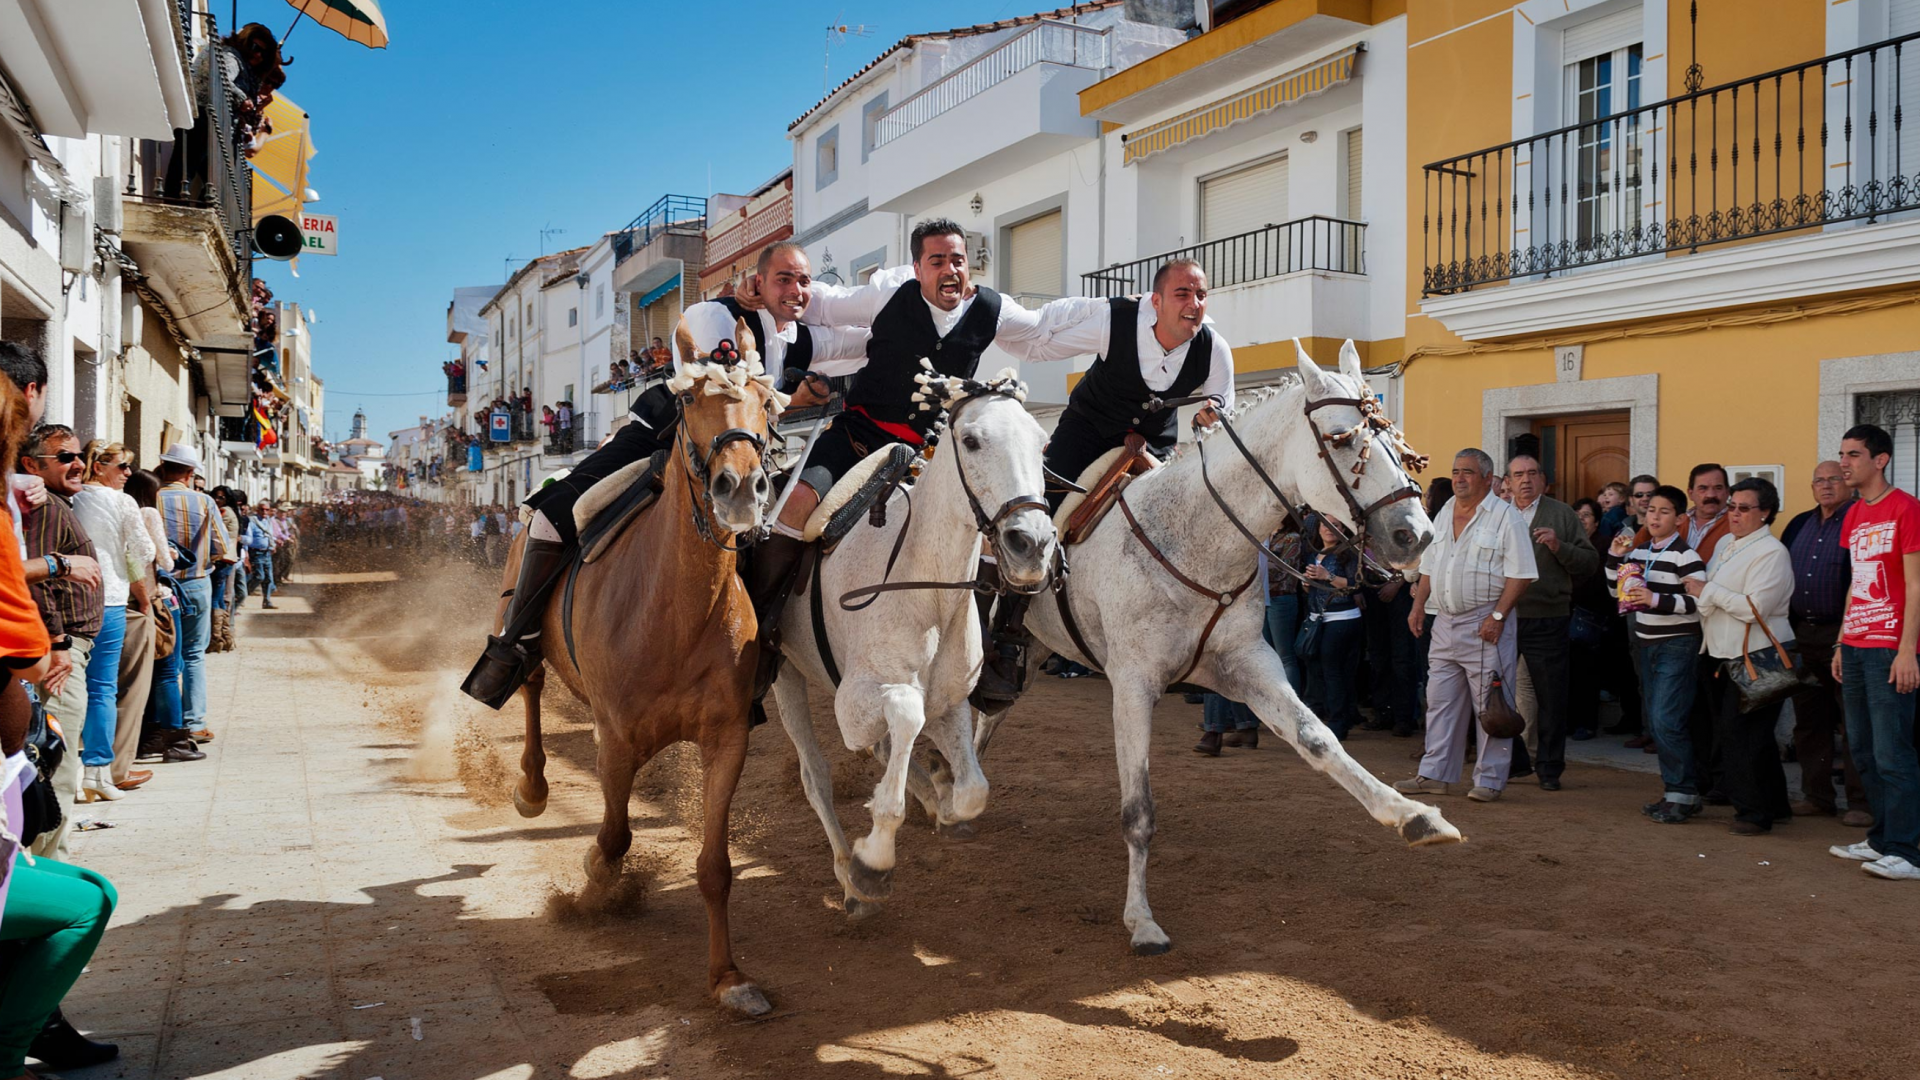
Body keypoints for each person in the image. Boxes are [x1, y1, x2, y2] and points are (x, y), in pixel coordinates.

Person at [465, 242, 870, 707]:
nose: (797, 290)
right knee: (549, 519)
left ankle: (746, 658)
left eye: (804, 281)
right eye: (784, 279)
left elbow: (858, 343)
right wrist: (736, 300)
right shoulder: (720, 314)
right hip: (655, 439)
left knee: (765, 539)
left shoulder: (798, 338)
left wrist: (795, 398)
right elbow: (697, 327)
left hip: (727, 460)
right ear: (758, 282)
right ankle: (516, 641)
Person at [1397, 449, 1537, 802]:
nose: (1459, 478)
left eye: (1468, 472)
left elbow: (1521, 575)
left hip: (1485, 621)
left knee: (1491, 705)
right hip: (1444, 620)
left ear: (1488, 479)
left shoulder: (1507, 518)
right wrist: (1417, 606)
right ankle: (1434, 775)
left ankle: (1489, 780)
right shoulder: (1444, 512)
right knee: (1440, 701)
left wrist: (1499, 617)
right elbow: (1430, 563)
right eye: (1456, 471)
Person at [1828, 424, 1920, 880]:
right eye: (1842, 454)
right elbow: (1856, 585)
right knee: (1861, 751)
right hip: (1858, 644)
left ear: (1880, 460)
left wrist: (1908, 651)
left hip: (1889, 649)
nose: (1844, 463)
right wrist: (1842, 641)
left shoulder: (1906, 508)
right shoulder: (1854, 514)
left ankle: (1908, 850)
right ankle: (1883, 840)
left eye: (1854, 454)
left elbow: (1918, 585)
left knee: (1892, 753)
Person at [1686, 477, 1796, 834]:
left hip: (1758, 654)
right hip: (1721, 652)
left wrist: (1709, 590)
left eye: (1743, 508)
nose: (1734, 514)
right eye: (1731, 506)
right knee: (1751, 737)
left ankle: (1752, 812)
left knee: (1741, 736)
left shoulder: (1771, 552)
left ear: (1765, 513)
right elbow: (1711, 598)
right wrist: (1706, 594)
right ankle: (1775, 804)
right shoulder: (1726, 544)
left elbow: (1755, 608)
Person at [19, 425, 116, 816]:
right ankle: (50, 862)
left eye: (79, 456)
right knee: (57, 760)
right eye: (64, 457)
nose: (78, 464)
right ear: (31, 465)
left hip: (68, 647)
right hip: (61, 651)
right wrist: (58, 645)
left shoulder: (57, 502)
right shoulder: (43, 507)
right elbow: (37, 582)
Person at [1606, 485, 1707, 824]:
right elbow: (1616, 591)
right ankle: (1676, 792)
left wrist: (1654, 600)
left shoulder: (1686, 556)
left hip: (1678, 643)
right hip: (1646, 642)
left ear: (1680, 519)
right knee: (1658, 719)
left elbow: (1699, 603)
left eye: (1664, 512)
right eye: (1651, 511)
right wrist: (1614, 557)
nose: (1655, 517)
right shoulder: (1639, 551)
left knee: (1666, 719)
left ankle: (1683, 793)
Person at [1780, 460, 1870, 826]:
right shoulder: (1799, 523)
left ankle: (1861, 803)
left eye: (1834, 478)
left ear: (1848, 483)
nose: (1827, 485)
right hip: (1802, 632)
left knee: (1855, 723)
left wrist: (1846, 635)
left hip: (1844, 632)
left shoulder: (1860, 519)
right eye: (1819, 480)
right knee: (1809, 720)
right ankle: (1817, 796)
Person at [1504, 454, 1599, 791]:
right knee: (1494, 694)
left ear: (1543, 481)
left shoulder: (1561, 514)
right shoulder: (1497, 513)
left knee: (1551, 698)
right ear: (1507, 482)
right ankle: (1513, 761)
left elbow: (1589, 563)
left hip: (1547, 616)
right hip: (1501, 618)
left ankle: (1548, 768)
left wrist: (1559, 547)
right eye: (1518, 475)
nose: (1525, 480)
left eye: (1532, 474)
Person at [71, 442, 155, 793]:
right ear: (99, 466)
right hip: (111, 598)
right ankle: (96, 771)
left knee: (70, 685)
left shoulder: (70, 498)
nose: (128, 474)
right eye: (122, 466)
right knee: (102, 687)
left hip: (73, 598)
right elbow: (144, 550)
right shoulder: (122, 502)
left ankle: (68, 769)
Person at [155, 443, 232, 743]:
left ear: (164, 468)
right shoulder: (204, 502)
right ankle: (195, 722)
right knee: (193, 655)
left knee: (164, 657)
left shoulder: (152, 499)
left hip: (161, 586)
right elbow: (223, 549)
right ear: (189, 473)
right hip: (197, 583)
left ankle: (166, 722)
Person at [1300, 517, 1365, 740]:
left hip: (1343, 618)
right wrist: (1307, 584)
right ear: (1318, 529)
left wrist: (1327, 576)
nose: (1329, 529)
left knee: (1333, 670)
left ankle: (1338, 720)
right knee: (1322, 669)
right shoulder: (1313, 554)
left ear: (1343, 529)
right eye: (1325, 525)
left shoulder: (1348, 553)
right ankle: (1339, 715)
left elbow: (1355, 584)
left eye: (1336, 525)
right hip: (1320, 618)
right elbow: (1313, 591)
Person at [1567, 498, 1612, 742]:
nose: (1580, 520)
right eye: (1576, 515)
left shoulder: (1603, 545)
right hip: (1566, 616)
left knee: (1587, 674)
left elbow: (1597, 583)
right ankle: (1570, 721)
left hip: (1592, 618)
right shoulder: (1566, 544)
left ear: (1596, 521)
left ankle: (1586, 723)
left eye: (1586, 515)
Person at [1684, 464, 1733, 564]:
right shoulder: (1676, 522)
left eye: (1718, 488)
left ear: (1727, 492)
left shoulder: (1737, 524)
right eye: (1703, 488)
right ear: (1690, 493)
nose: (1711, 495)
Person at [241, 502, 276, 608]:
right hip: (256, 553)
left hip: (267, 553)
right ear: (258, 510)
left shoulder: (269, 521)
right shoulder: (252, 521)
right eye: (262, 509)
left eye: (267, 510)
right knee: (259, 576)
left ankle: (267, 600)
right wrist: (246, 552)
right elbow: (247, 536)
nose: (264, 512)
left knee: (268, 578)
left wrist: (272, 545)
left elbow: (270, 535)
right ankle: (242, 595)